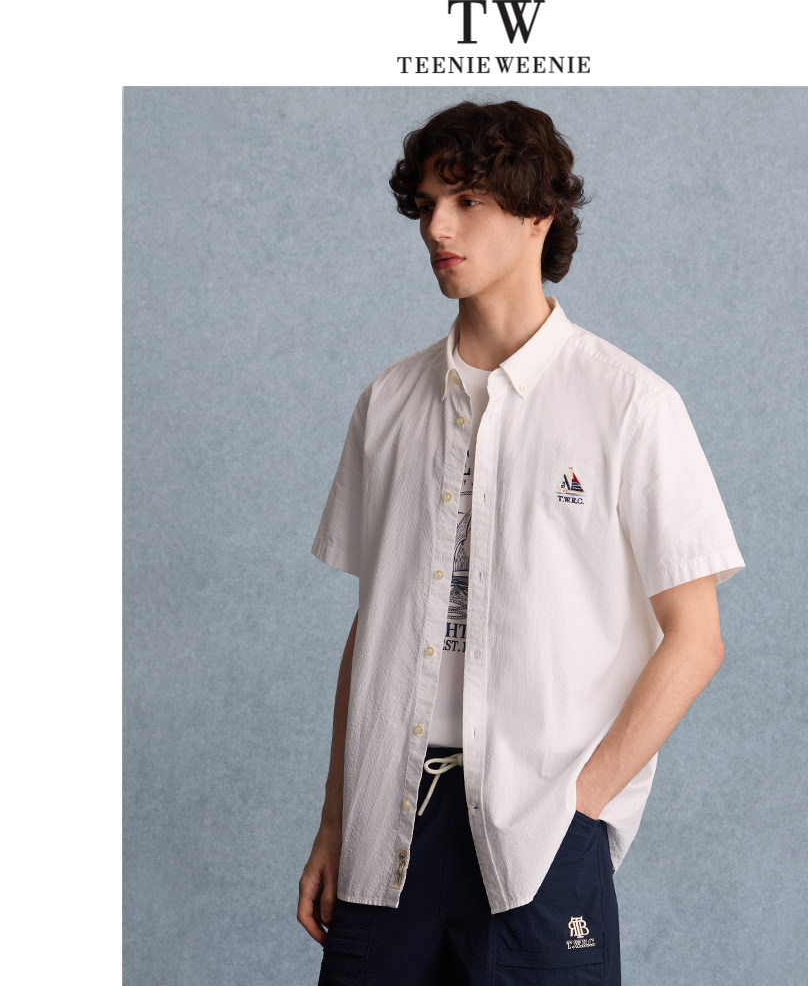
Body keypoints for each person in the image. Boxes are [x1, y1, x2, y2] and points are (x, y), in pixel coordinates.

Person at [297, 100, 744, 986]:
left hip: (540, 832)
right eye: (429, 204)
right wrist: (335, 819)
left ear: (539, 215)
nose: (437, 228)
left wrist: (580, 806)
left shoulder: (630, 405)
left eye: (467, 201)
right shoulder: (388, 403)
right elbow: (374, 627)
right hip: (386, 826)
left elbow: (697, 639)